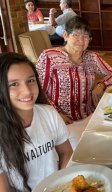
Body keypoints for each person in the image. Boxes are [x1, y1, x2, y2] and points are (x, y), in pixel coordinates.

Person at [0, 52, 73, 191]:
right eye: (14, 84)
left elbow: (66, 151)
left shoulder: (49, 113)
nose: (27, 91)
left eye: (31, 80)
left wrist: (60, 184)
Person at [36, 16, 112, 125]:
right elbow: (39, 91)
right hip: (58, 121)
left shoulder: (91, 57)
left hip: (88, 117)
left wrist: (101, 85)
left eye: (86, 36)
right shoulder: (49, 56)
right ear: (65, 35)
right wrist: (57, 114)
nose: (81, 40)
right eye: (76, 35)